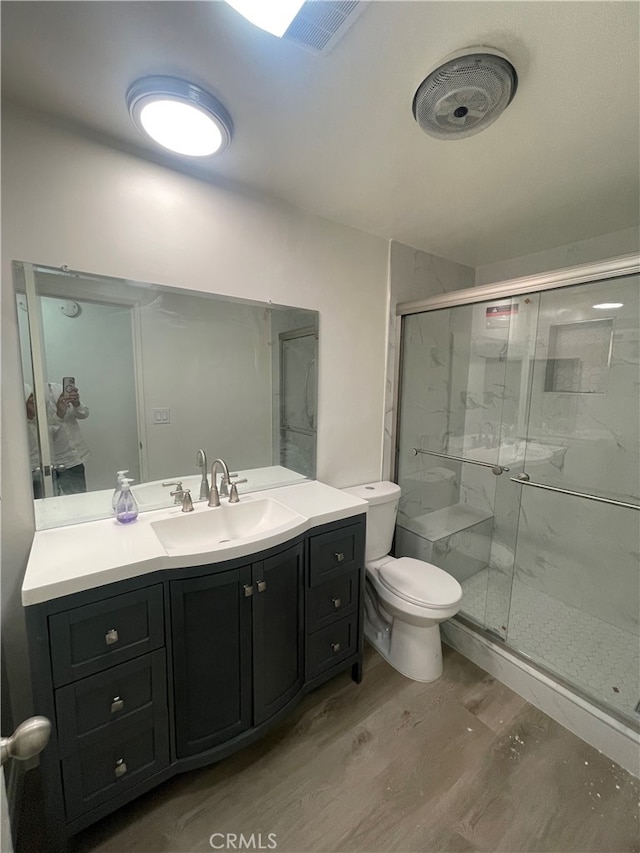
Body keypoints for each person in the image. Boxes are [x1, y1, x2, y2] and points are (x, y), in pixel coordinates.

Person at [25, 380, 90, 497]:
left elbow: (84, 413)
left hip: (73, 459)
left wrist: (76, 403)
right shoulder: (32, 403)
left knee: (78, 501)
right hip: (48, 464)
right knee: (49, 503)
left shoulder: (59, 389)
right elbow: (45, 435)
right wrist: (59, 414)